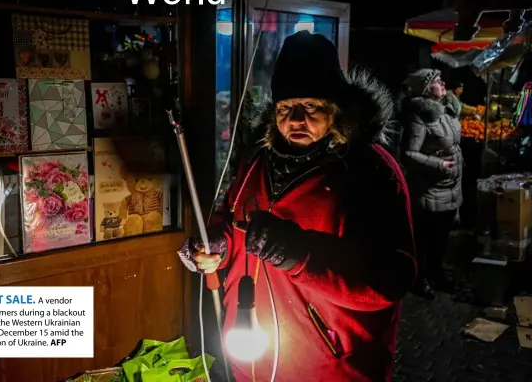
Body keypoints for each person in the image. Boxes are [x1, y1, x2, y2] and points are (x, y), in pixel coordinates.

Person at [178, 31, 417, 382]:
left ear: (337, 110)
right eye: (286, 108)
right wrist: (217, 244)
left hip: (328, 369)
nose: (296, 120)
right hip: (250, 358)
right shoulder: (257, 161)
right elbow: (231, 221)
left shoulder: (370, 170)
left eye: (312, 107)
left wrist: (299, 253)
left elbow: (390, 277)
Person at [401, 69, 463, 299]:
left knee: (441, 237)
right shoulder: (420, 116)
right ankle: (420, 279)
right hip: (429, 189)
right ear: (426, 89)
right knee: (424, 239)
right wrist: (439, 164)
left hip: (450, 187)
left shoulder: (447, 110)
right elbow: (409, 154)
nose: (443, 83)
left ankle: (437, 274)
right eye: (437, 81)